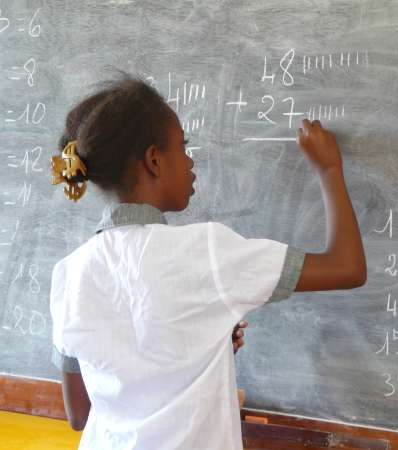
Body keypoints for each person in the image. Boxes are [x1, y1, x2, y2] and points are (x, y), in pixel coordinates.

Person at [49, 75, 366, 449]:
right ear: (154, 160)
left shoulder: (69, 272)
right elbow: (347, 267)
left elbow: (79, 415)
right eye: (183, 146)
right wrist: (328, 170)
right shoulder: (207, 251)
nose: (190, 159)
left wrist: (200, 350)